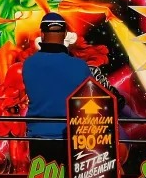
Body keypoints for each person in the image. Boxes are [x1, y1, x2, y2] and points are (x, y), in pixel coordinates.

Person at [21, 12, 93, 169]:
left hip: (39, 137)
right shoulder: (80, 66)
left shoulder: (28, 64)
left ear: (42, 33)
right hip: (72, 138)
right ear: (65, 34)